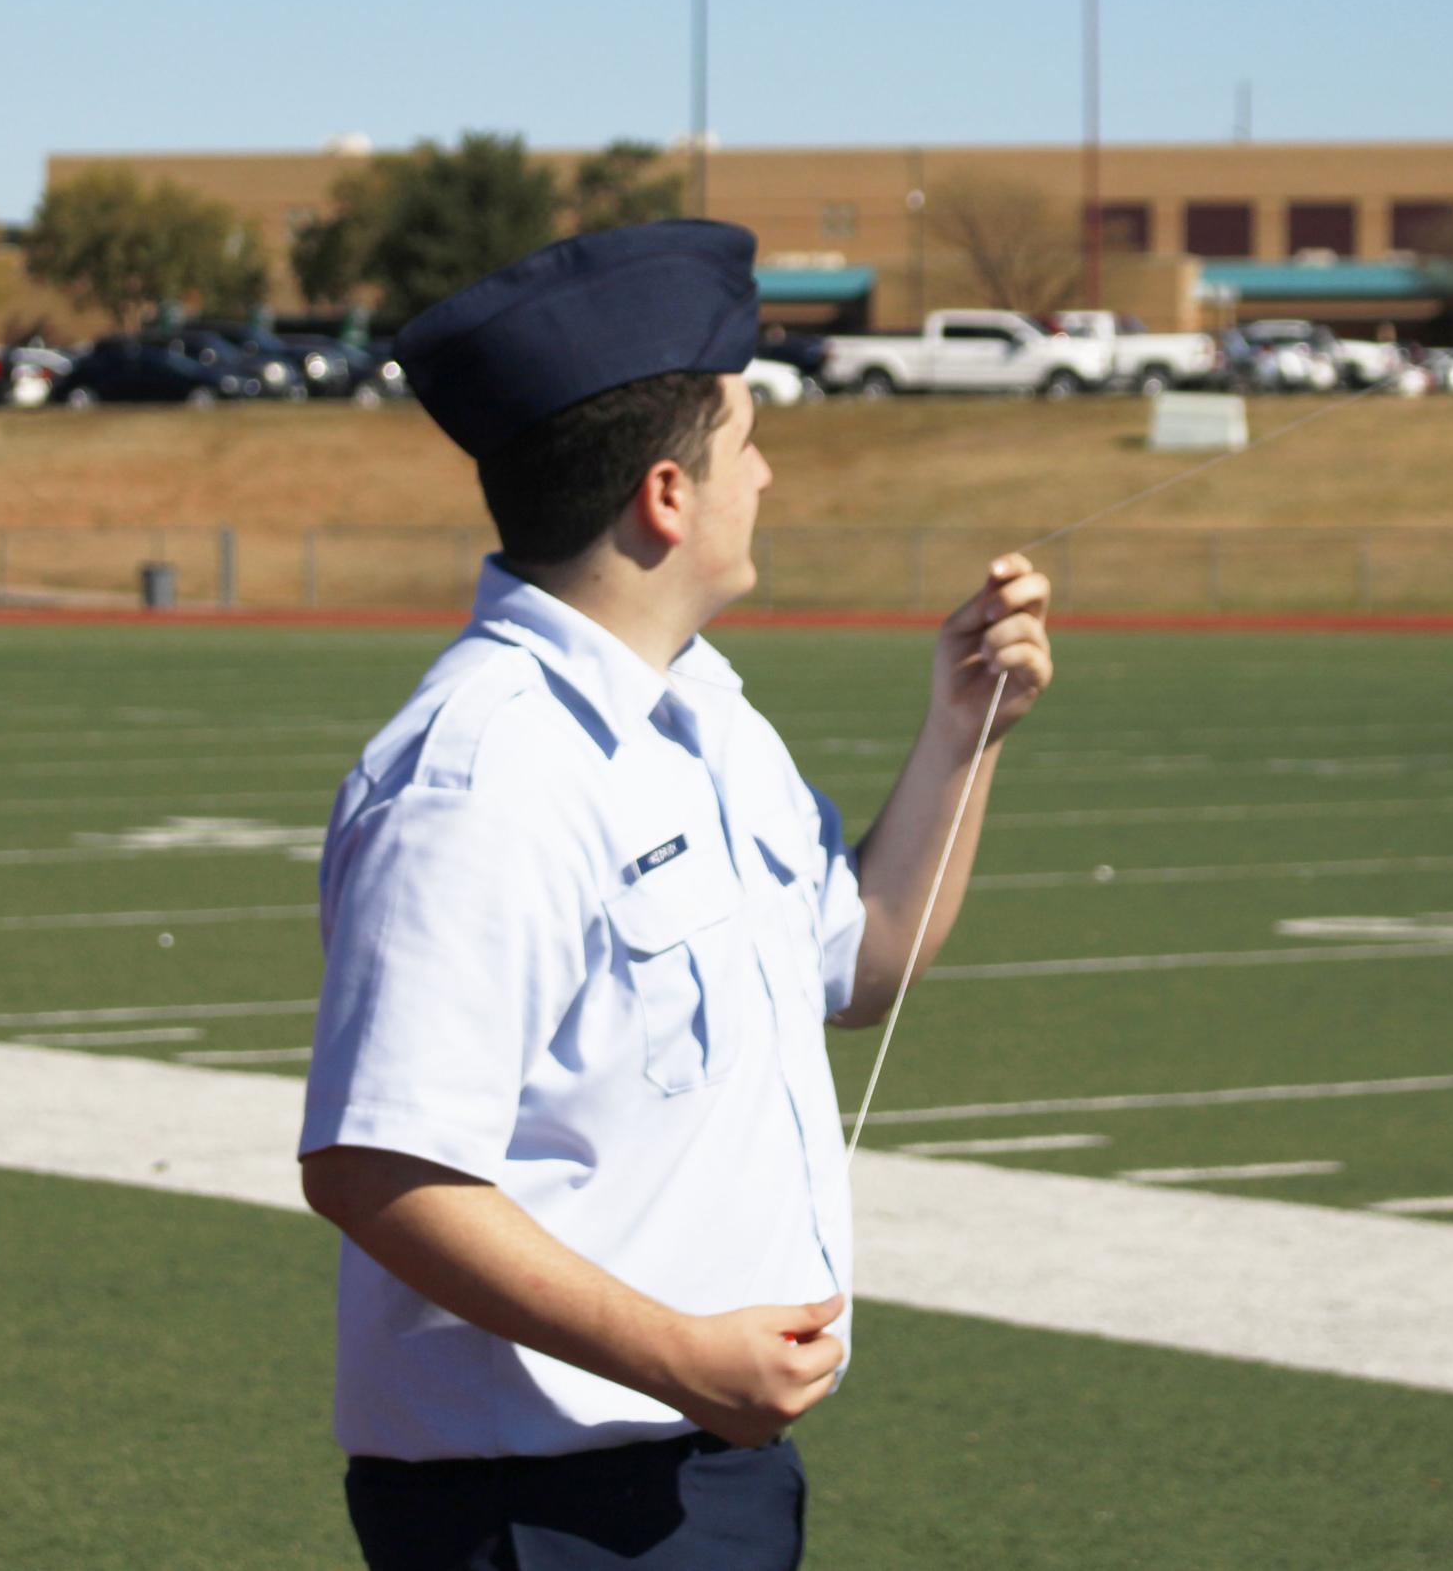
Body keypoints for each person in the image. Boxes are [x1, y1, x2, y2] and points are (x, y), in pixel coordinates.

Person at [299, 220, 1053, 1570]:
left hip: (702, 1477)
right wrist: (679, 1358)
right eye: (746, 439)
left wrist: (963, 733)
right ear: (665, 494)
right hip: (537, 1512)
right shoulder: (485, 771)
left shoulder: (704, 714)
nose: (764, 474)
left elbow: (864, 961)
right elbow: (377, 1167)